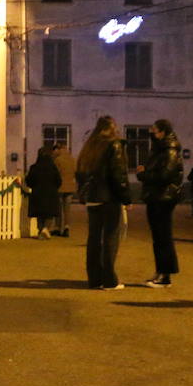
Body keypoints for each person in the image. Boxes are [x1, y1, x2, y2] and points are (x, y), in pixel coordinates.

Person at [75, 115, 130, 291]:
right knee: (110, 238)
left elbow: (80, 172)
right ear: (112, 128)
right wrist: (126, 198)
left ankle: (94, 278)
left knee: (94, 239)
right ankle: (109, 280)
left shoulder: (89, 146)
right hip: (109, 198)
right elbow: (119, 175)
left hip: (92, 198)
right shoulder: (114, 145)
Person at [135, 119, 183, 288]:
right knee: (158, 237)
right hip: (156, 197)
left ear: (163, 132)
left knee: (163, 236)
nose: (151, 134)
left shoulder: (169, 150)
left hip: (164, 198)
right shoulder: (159, 150)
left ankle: (165, 275)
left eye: (154, 131)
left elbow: (165, 176)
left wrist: (143, 174)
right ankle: (161, 271)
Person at [24, 145, 61, 239]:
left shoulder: (34, 167)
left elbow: (29, 181)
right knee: (49, 214)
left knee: (39, 214)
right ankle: (45, 229)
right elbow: (59, 181)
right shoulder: (53, 168)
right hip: (51, 194)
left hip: (38, 193)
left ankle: (41, 230)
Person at [52, 143, 77, 237]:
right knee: (67, 209)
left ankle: (58, 227)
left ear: (58, 149)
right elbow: (75, 171)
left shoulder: (57, 160)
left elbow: (55, 173)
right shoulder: (72, 159)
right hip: (70, 187)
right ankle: (67, 227)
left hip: (60, 187)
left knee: (59, 208)